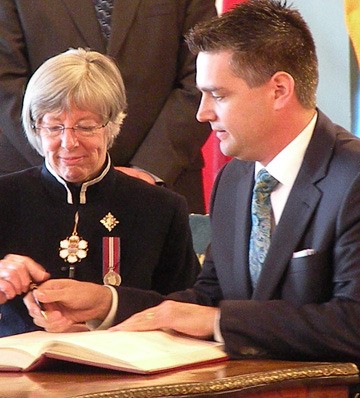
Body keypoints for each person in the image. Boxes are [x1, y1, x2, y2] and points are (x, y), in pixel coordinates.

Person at [25, 0, 360, 363]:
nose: (203, 113)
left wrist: (218, 321)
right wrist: (106, 303)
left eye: (218, 95)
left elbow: (353, 324)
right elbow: (208, 297)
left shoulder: (351, 178)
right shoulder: (234, 180)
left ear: (279, 90)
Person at [0, 48, 201, 337]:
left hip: (129, 371)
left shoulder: (160, 208)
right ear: (35, 127)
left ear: (112, 125)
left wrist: (110, 306)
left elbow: (188, 309)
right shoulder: (5, 197)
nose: (68, 143)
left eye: (85, 126)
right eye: (53, 126)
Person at [0, 0, 217, 214]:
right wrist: (63, 158)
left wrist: (149, 168)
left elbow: (206, 75)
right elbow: (5, 83)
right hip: (38, 186)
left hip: (160, 181)